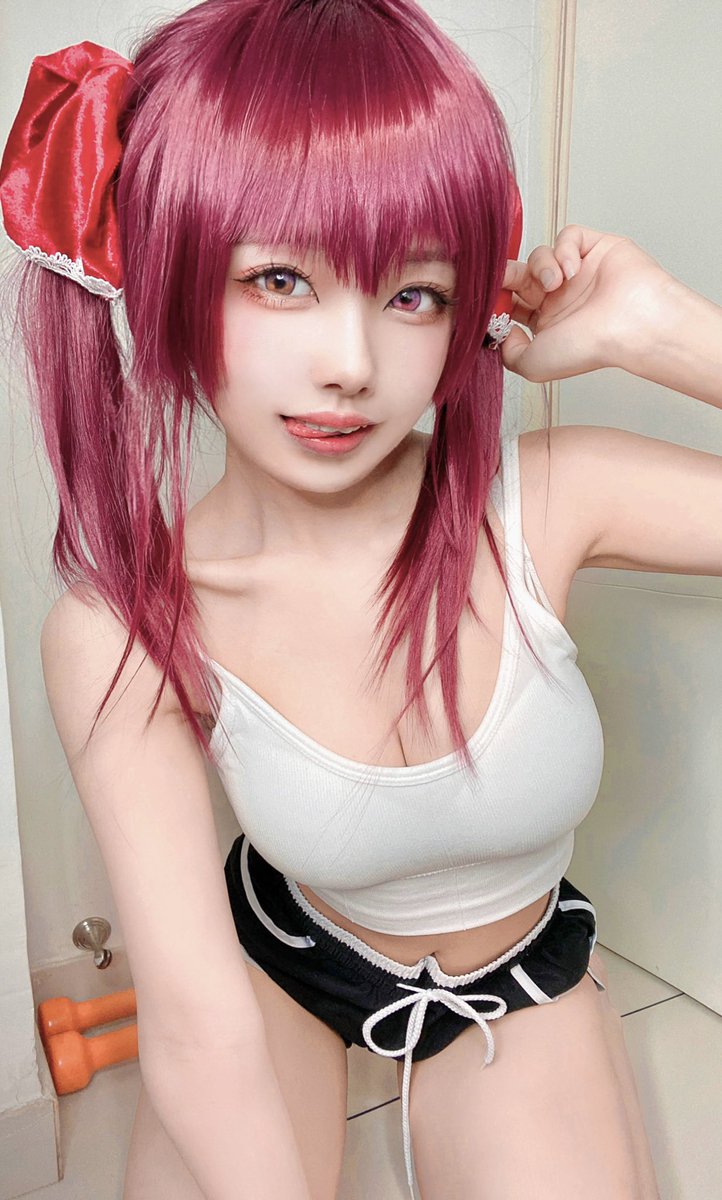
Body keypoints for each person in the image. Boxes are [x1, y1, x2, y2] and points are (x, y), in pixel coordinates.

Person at [3, 0, 721, 1197]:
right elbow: (198, 1022)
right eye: (280, 278)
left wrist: (666, 332)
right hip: (282, 959)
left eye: (413, 295)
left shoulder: (547, 499)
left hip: (514, 976)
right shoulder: (121, 625)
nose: (350, 363)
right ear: (168, 273)